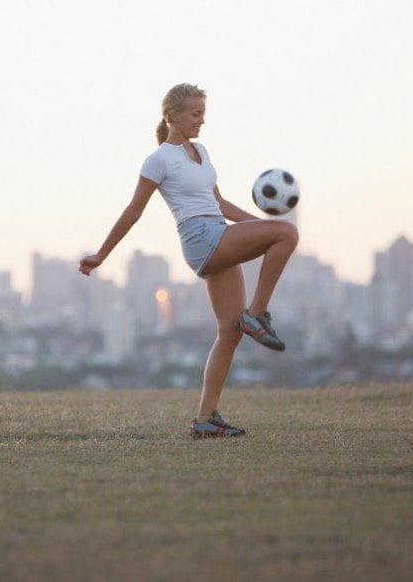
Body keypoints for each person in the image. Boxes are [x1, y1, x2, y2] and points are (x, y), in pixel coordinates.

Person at [78, 83, 298, 438]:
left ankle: (205, 419)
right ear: (173, 116)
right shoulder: (159, 160)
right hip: (201, 239)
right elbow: (133, 211)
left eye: (203, 115)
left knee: (229, 332)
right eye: (195, 114)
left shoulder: (201, 151)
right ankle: (256, 314)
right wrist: (101, 255)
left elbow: (220, 204)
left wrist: (258, 226)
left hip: (218, 233)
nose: (201, 121)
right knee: (287, 234)